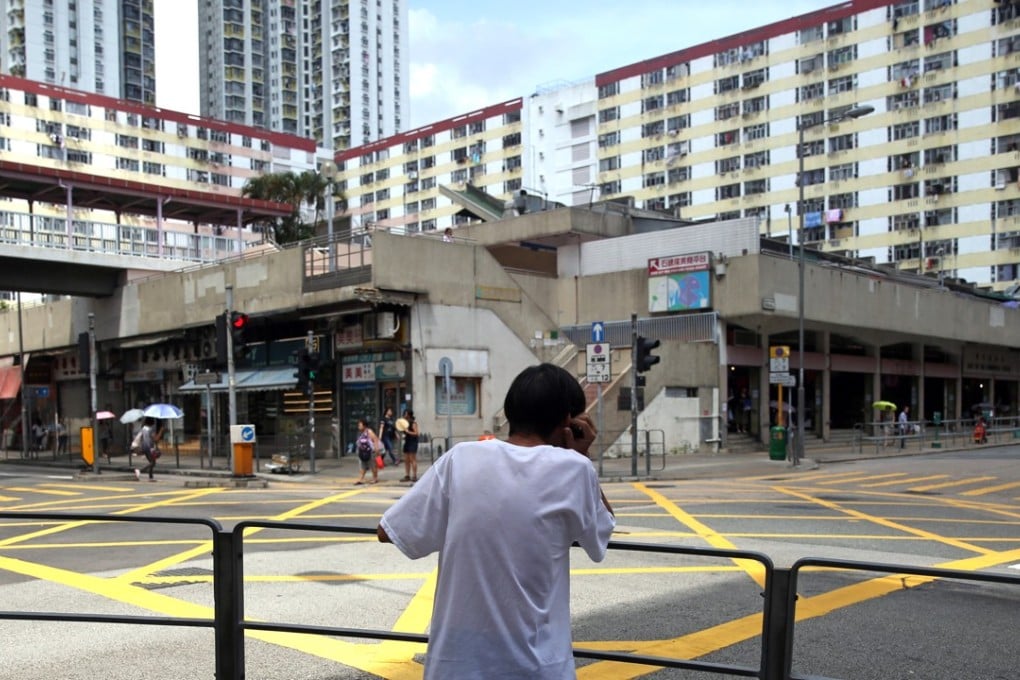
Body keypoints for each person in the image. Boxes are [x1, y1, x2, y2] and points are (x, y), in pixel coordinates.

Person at [377, 363, 616, 679]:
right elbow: (602, 534)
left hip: (456, 666)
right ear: (567, 422)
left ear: (511, 412)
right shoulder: (575, 469)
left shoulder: (460, 458)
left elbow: (388, 531)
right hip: (537, 666)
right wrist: (582, 455)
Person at [354, 418, 381, 485]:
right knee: (362, 466)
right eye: (359, 425)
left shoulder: (369, 432)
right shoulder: (360, 433)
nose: (359, 427)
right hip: (362, 452)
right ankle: (360, 479)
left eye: (360, 425)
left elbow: (375, 440)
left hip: (370, 451)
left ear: (364, 426)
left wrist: (377, 449)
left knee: (373, 466)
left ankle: (375, 478)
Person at [133, 417, 161, 482]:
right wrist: (161, 431)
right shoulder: (150, 430)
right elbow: (155, 439)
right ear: (151, 423)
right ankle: (139, 470)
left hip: (144, 447)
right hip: (149, 448)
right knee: (152, 463)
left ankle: (151, 477)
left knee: (152, 462)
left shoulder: (143, 429)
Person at [400, 409, 419, 483]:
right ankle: (407, 475)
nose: (404, 415)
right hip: (407, 441)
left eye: (406, 414)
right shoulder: (405, 423)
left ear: (409, 415)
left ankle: (414, 475)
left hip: (413, 442)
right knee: (406, 460)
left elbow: (416, 433)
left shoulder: (413, 423)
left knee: (412, 459)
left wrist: (408, 431)